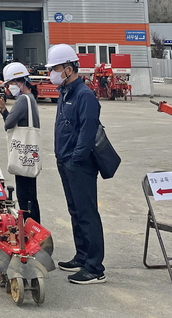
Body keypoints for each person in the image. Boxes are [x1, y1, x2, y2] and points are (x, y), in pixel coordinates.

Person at [47, 44, 106, 285]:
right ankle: (82, 256)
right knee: (75, 211)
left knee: (87, 213)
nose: (52, 72)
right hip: (66, 161)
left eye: (55, 68)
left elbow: (87, 133)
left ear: (69, 69)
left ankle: (94, 268)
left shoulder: (84, 95)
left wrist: (75, 159)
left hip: (78, 164)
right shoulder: (65, 92)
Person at [0, 62, 41, 223]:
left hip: (22, 155)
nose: (8, 88)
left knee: (24, 197)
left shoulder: (22, 100)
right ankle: (35, 228)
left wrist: (4, 110)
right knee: (31, 196)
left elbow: (9, 123)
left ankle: (29, 230)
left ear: (19, 83)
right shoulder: (31, 99)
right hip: (30, 153)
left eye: (10, 84)